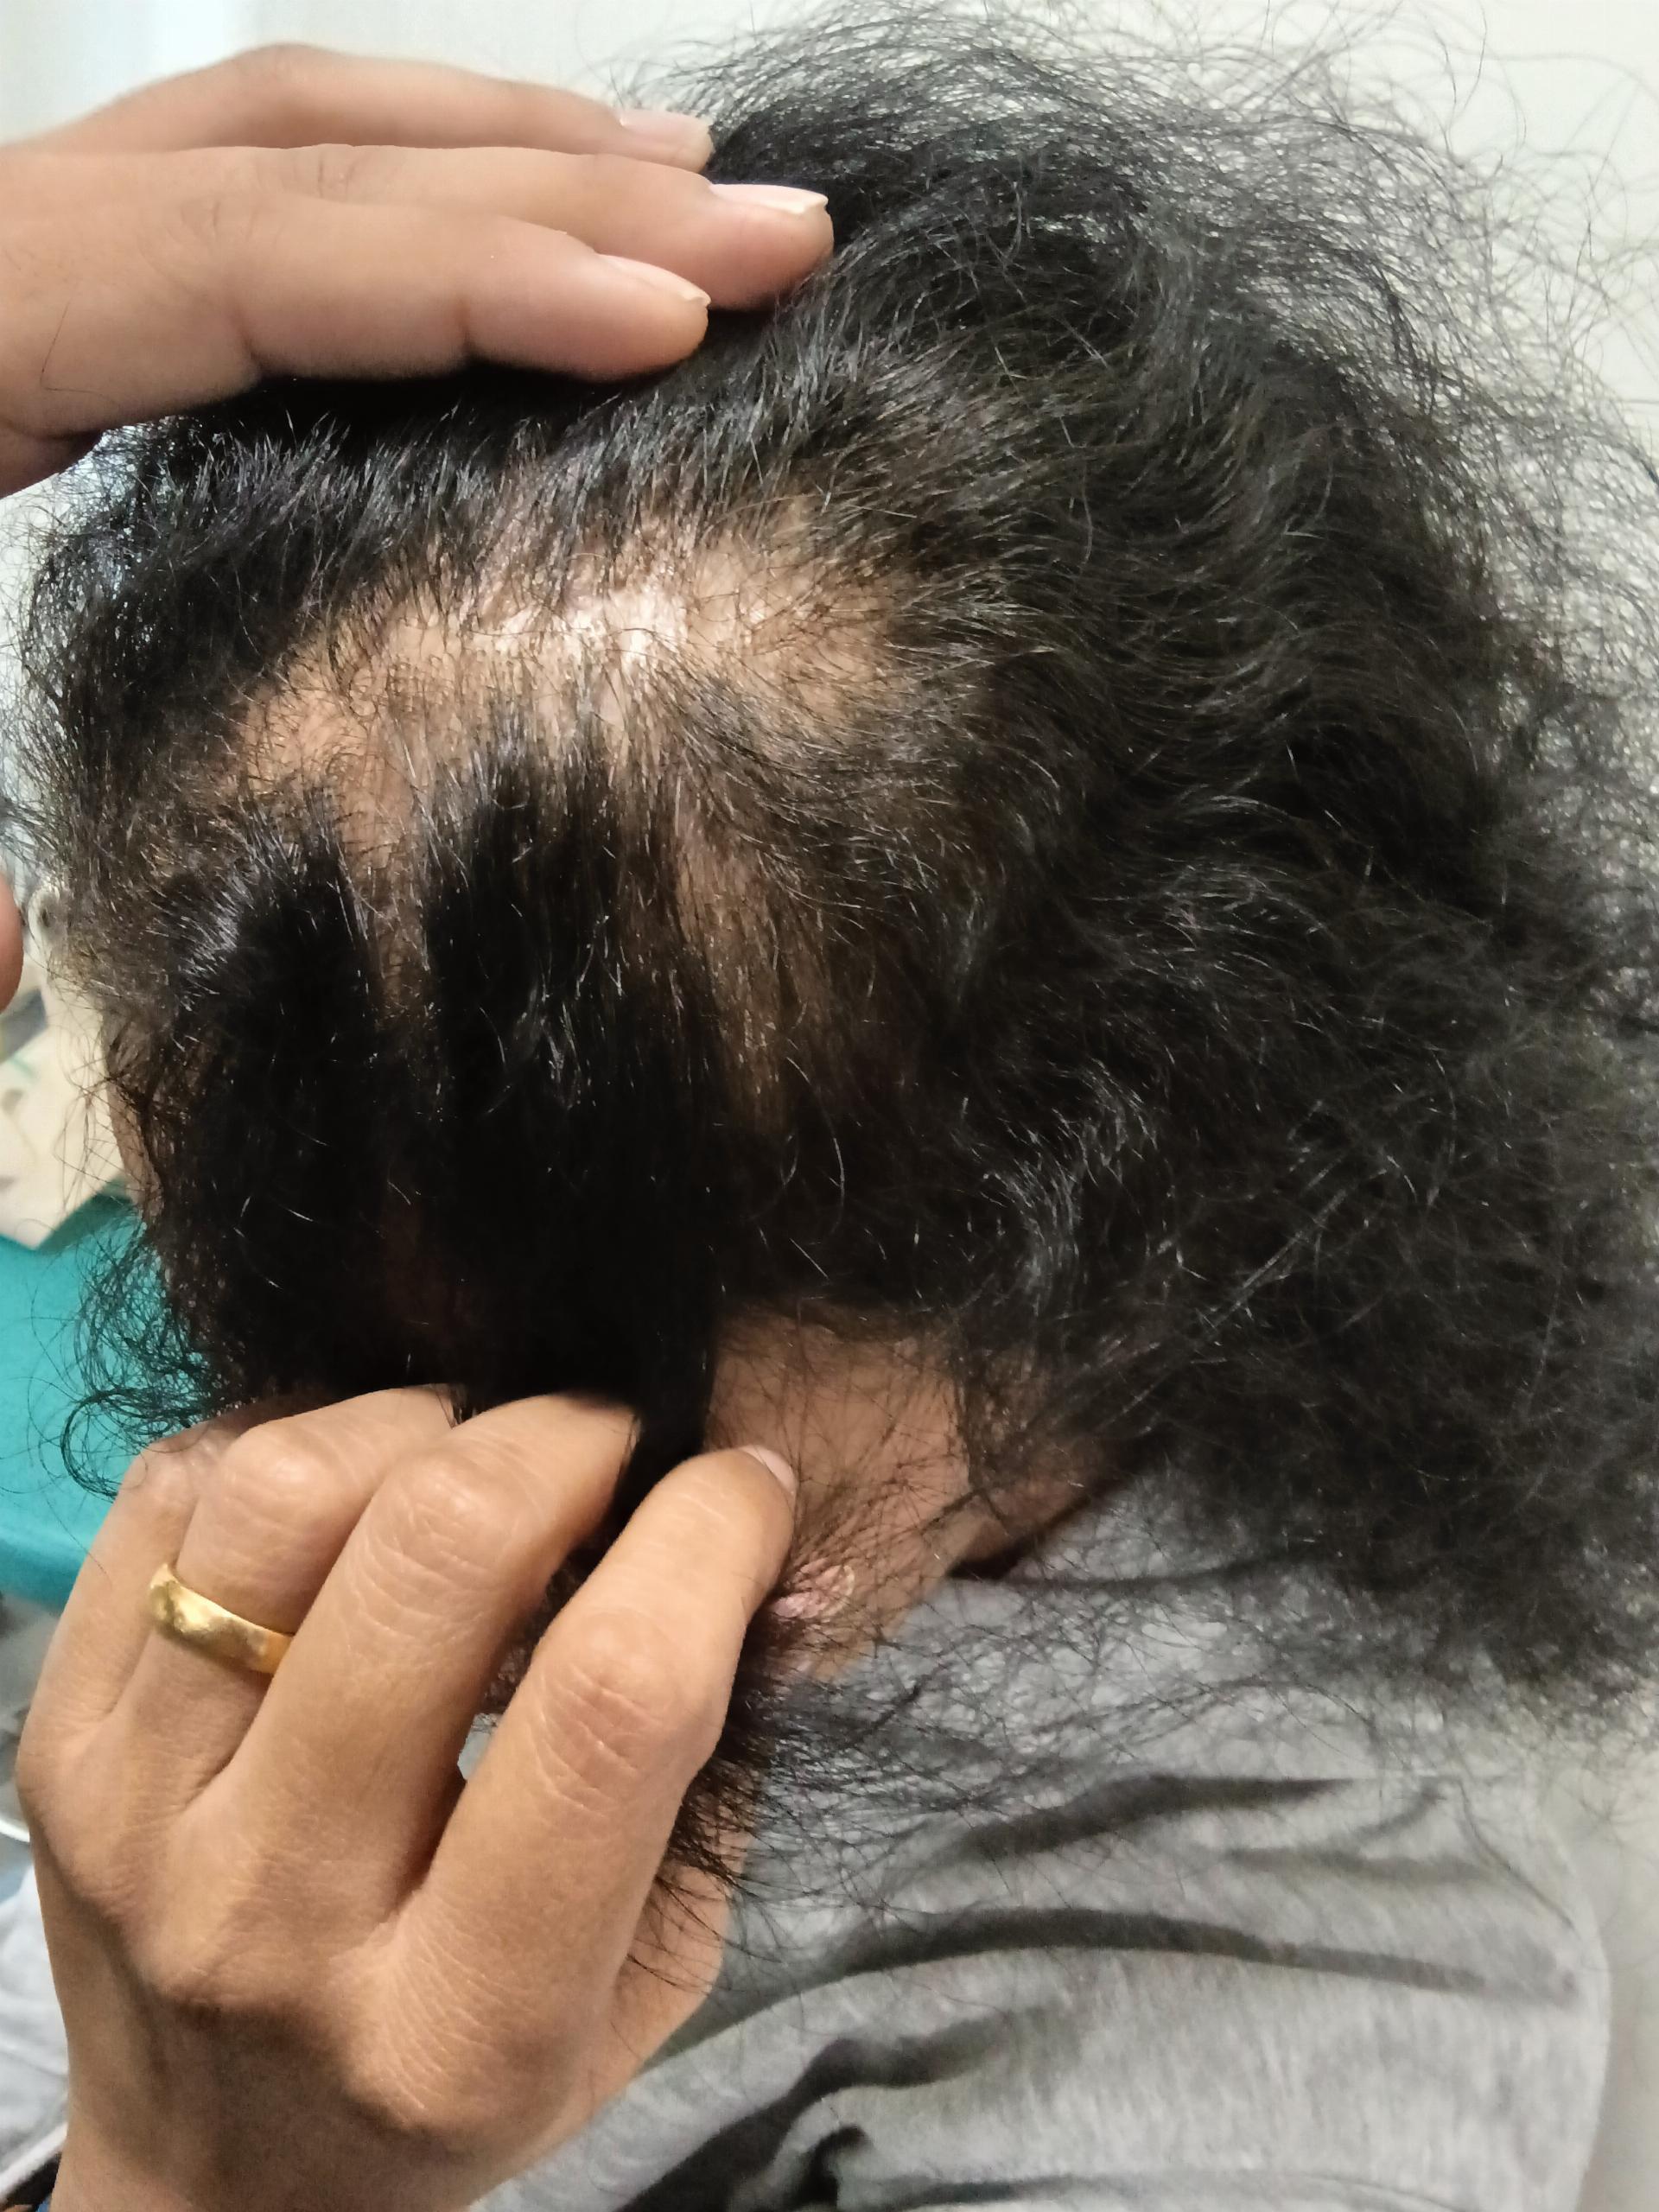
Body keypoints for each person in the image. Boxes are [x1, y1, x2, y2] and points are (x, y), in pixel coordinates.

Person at [3, 7, 1659, 2207]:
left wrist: (199, 2176)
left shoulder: (1295, 2029)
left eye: (540, 1422)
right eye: (248, 1296)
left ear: (1117, 1237)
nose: (293, 1470)